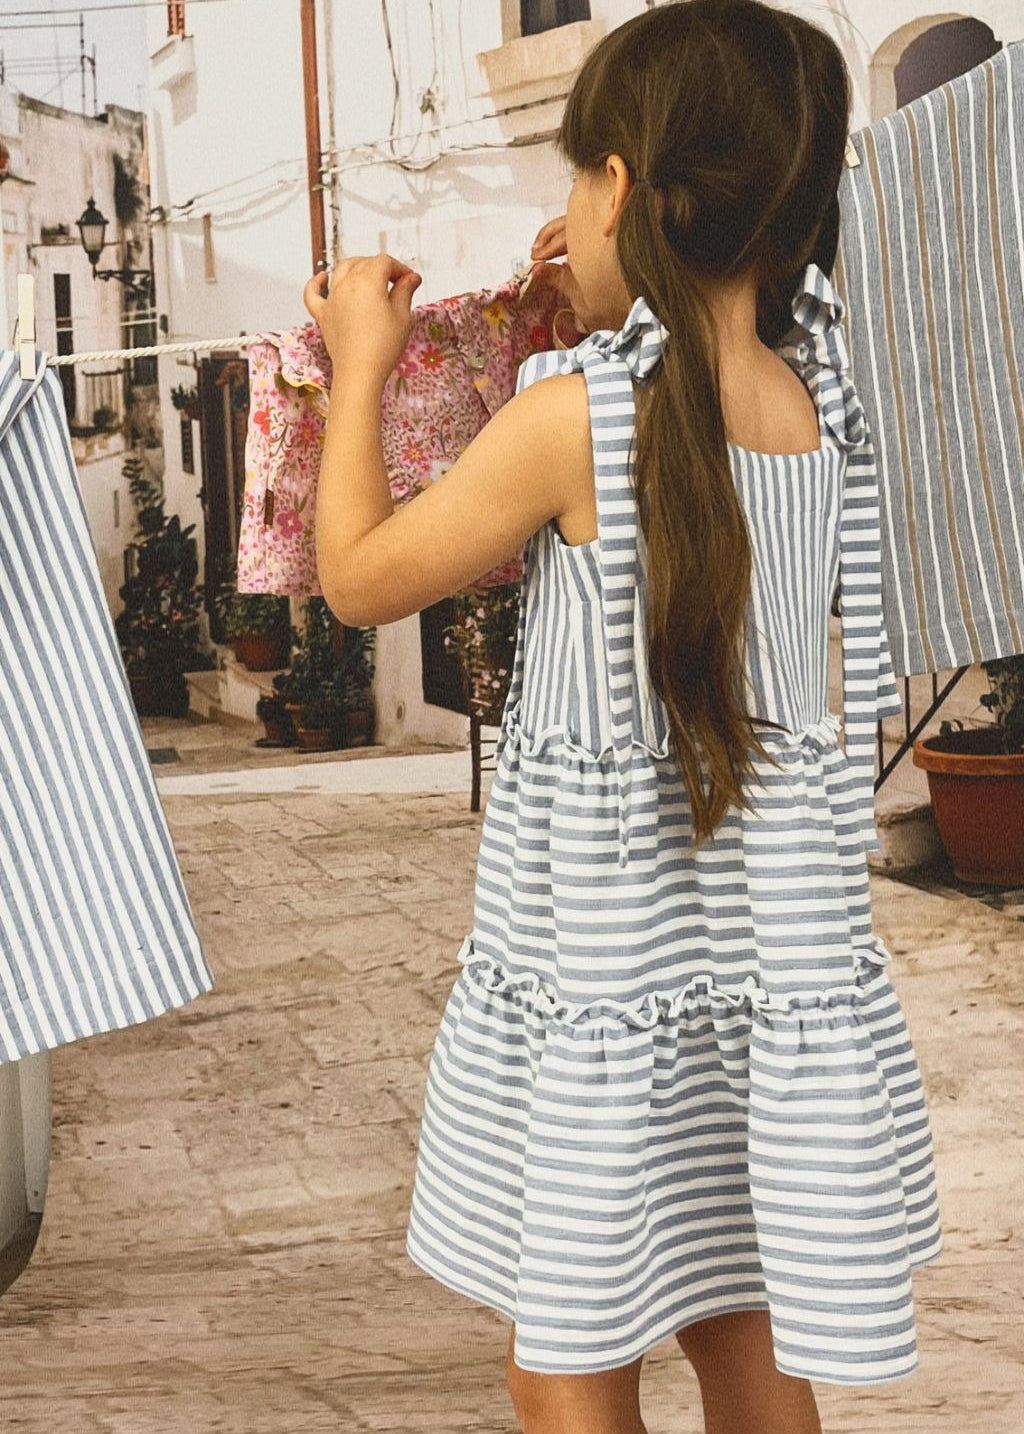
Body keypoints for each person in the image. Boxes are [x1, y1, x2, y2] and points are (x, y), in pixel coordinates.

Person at [303, 3, 943, 1431]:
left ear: (622, 191)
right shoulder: (808, 399)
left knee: (566, 1350)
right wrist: (587, 315)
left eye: (573, 176)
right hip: (747, 983)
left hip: (608, 973)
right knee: (746, 1339)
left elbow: (356, 575)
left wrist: (361, 361)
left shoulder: (568, 420)